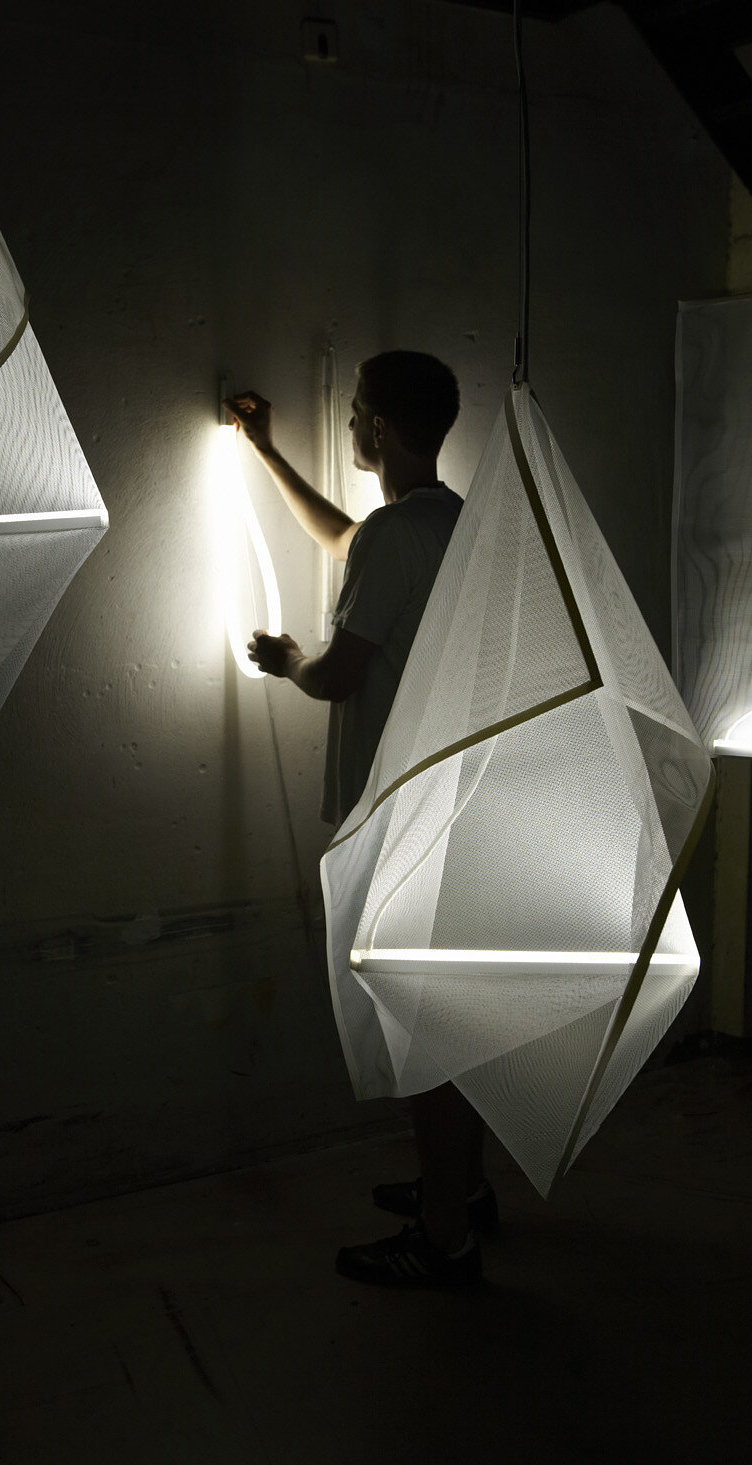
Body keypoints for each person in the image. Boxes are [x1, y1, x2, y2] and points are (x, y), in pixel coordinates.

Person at [225, 351, 496, 1288]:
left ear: (379, 427)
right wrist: (267, 454)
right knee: (450, 1014)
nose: (347, 427)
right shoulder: (453, 522)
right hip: (451, 800)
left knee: (424, 1026)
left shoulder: (399, 534)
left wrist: (288, 660)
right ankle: (463, 1190)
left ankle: (445, 1236)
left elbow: (341, 674)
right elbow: (347, 536)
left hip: (400, 809)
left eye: (353, 415)